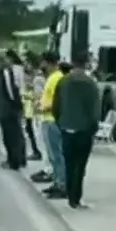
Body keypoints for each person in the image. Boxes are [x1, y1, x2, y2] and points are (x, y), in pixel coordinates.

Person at [54, 51, 102, 209]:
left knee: (68, 162)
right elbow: (95, 108)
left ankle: (69, 193)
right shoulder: (90, 83)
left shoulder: (63, 81)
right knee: (80, 165)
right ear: (86, 63)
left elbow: (56, 104)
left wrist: (60, 121)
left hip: (66, 126)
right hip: (84, 129)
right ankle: (76, 197)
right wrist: (94, 126)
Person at [37, 51, 67, 200]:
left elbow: (58, 100)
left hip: (52, 120)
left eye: (42, 62)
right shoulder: (52, 78)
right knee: (52, 155)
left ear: (47, 62)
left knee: (57, 155)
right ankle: (56, 181)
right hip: (47, 119)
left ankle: (61, 185)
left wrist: (45, 108)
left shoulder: (57, 78)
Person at [0, 52, 27, 170]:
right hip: (10, 110)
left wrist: (15, 105)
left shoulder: (6, 73)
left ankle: (14, 161)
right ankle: (19, 159)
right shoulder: (11, 71)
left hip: (8, 110)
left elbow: (11, 92)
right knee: (17, 135)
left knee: (11, 137)